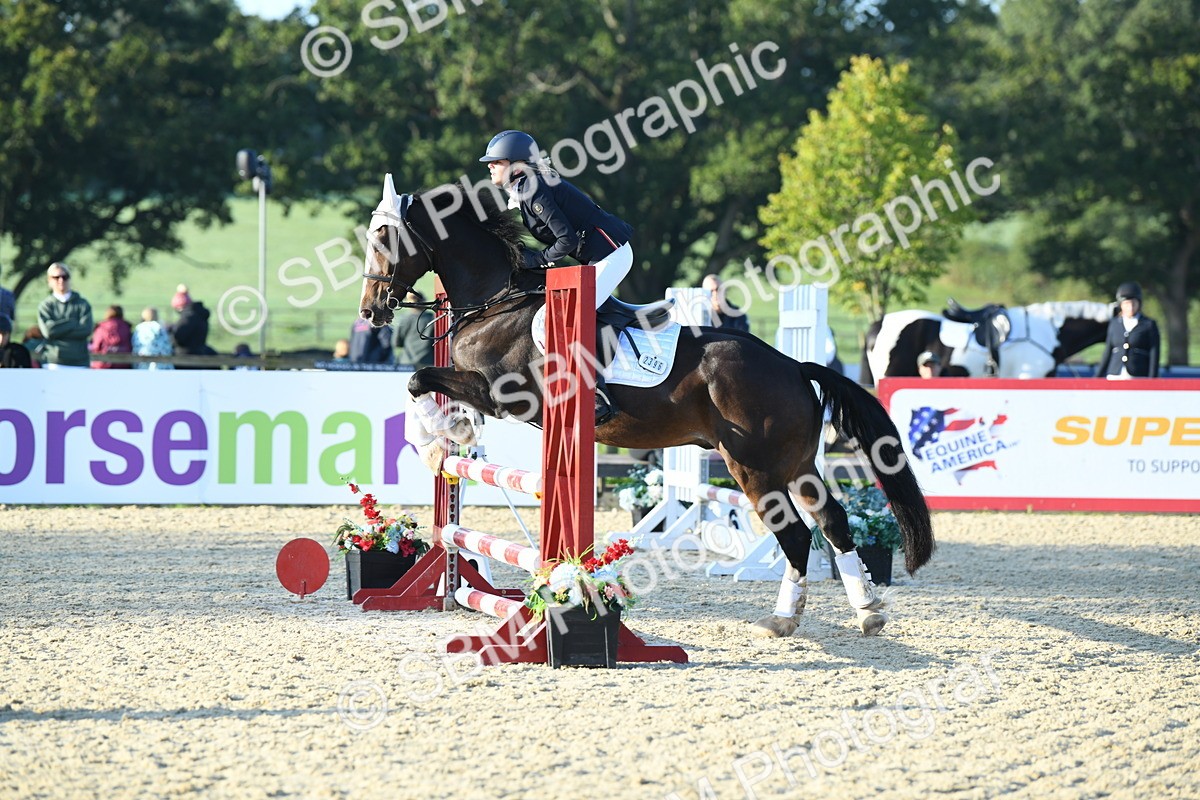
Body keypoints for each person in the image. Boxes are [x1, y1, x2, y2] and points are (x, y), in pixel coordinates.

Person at [480, 129, 633, 424]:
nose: (491, 166)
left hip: (613, 256)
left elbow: (567, 240)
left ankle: (595, 394)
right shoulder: (526, 188)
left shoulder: (533, 188)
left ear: (516, 164)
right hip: (597, 257)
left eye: (496, 161)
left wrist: (536, 260)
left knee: (561, 319)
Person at [1095, 281, 1160, 379]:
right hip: (1115, 374)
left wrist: (1153, 378)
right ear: (1121, 305)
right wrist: (1097, 377)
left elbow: (1154, 354)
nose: (1130, 308)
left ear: (1139, 304)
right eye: (1126, 304)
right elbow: (1107, 351)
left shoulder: (1148, 324)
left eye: (1133, 303)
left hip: (1138, 374)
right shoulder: (1114, 324)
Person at [36, 262, 93, 368]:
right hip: (53, 362)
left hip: (79, 363)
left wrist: (58, 329)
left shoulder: (82, 304)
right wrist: (72, 322)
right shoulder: (46, 305)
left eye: (64, 277)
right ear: (49, 280)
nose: (61, 280)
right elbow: (48, 331)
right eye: (56, 277)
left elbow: (86, 329)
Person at [170, 284, 217, 367]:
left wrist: (170, 332)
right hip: (199, 355)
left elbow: (178, 337)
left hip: (185, 359)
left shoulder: (188, 318)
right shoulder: (200, 315)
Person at [394, 290, 435, 367]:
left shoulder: (404, 319)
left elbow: (396, 342)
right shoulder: (432, 318)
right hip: (428, 362)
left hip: (406, 362)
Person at [89, 305, 134, 369]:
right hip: (123, 363)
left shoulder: (101, 327)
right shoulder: (127, 327)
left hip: (103, 364)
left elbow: (96, 346)